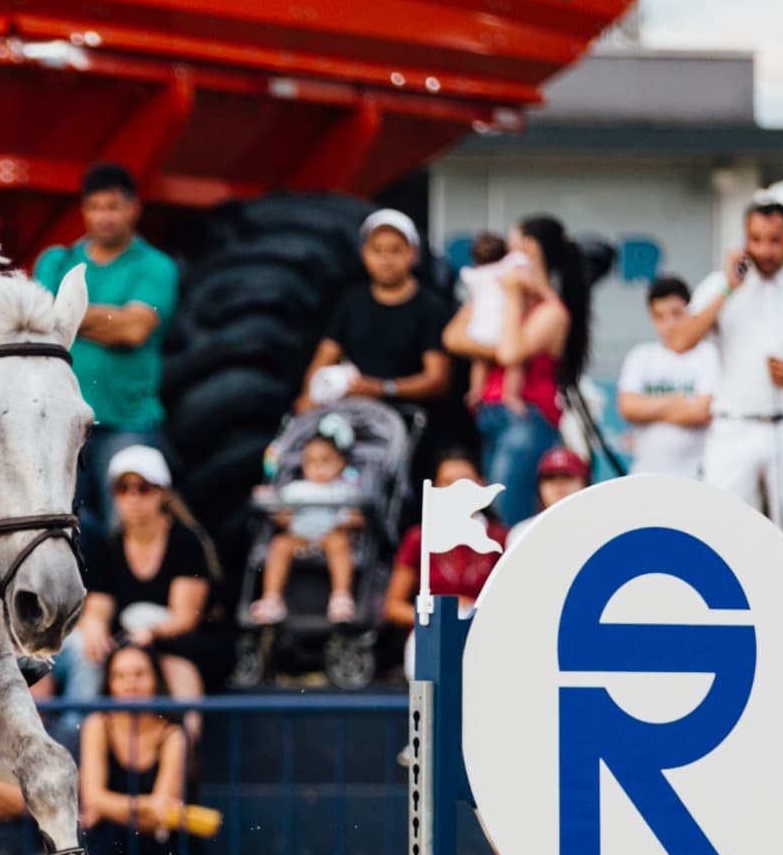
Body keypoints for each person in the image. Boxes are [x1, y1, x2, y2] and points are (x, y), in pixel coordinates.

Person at [666, 200, 783, 540]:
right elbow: (680, 342)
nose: (765, 250)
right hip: (733, 426)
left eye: (774, 240)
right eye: (756, 239)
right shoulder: (719, 286)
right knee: (721, 532)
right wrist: (728, 288)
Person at [32, 163, 180, 537]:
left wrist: (65, 312)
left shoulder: (155, 266)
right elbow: (36, 320)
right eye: (95, 207)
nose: (103, 217)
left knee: (129, 528)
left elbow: (133, 330)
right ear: (83, 210)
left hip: (126, 423)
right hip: (61, 423)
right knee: (56, 528)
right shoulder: (56, 260)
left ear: (133, 208)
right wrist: (110, 316)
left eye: (113, 207)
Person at [445, 213, 588, 525]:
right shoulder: (494, 292)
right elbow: (453, 337)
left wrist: (512, 297)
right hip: (490, 414)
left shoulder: (552, 310)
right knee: (489, 517)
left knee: (507, 517)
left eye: (510, 247)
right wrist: (498, 348)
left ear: (529, 247)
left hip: (525, 419)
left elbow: (510, 352)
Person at [68, 445, 228, 711]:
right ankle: (80, 726)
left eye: (143, 488)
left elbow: (185, 619)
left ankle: (185, 733)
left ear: (162, 493)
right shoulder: (109, 547)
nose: (133, 497)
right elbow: (99, 607)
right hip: (131, 641)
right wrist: (94, 625)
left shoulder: (185, 542)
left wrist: (150, 633)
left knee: (170, 659)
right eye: (123, 489)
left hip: (184, 642)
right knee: (90, 649)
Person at [296, 210, 450, 418]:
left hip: (407, 417)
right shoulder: (350, 302)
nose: (385, 259)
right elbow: (324, 357)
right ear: (364, 254)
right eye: (377, 250)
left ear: (413, 254)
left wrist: (382, 388)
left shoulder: (430, 306)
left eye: (395, 250)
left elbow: (437, 379)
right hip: (351, 413)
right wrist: (309, 396)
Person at [77, 641, 189, 855]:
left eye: (139, 674)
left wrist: (107, 807)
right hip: (107, 849)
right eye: (120, 676)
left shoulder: (174, 734)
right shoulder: (97, 724)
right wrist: (149, 806)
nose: (130, 684)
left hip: (158, 851)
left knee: (129, 850)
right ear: (110, 683)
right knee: (109, 849)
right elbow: (92, 797)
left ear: (155, 678)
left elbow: (163, 815)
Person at [384, 452, 503, 669]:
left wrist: (472, 615)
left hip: (485, 639)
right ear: (435, 489)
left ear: (481, 485)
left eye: (464, 482)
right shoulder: (419, 538)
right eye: (447, 483)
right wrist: (438, 617)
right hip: (431, 637)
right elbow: (393, 606)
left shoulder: (500, 537)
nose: (456, 491)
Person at [250, 427, 359, 625]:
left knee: (339, 543)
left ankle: (341, 597)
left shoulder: (345, 490)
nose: (318, 468)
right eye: (311, 461)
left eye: (325, 461)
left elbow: (358, 518)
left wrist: (350, 520)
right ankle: (272, 599)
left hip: (330, 536)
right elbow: (282, 518)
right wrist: (274, 507)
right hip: (299, 537)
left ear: (340, 463)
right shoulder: (295, 490)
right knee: (279, 545)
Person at [615, 276, 719, 479]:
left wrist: (648, 411)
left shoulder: (709, 355)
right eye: (659, 316)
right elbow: (628, 407)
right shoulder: (641, 355)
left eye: (676, 314)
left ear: (691, 311)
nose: (669, 325)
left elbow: (701, 412)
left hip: (696, 477)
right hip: (644, 476)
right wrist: (677, 402)